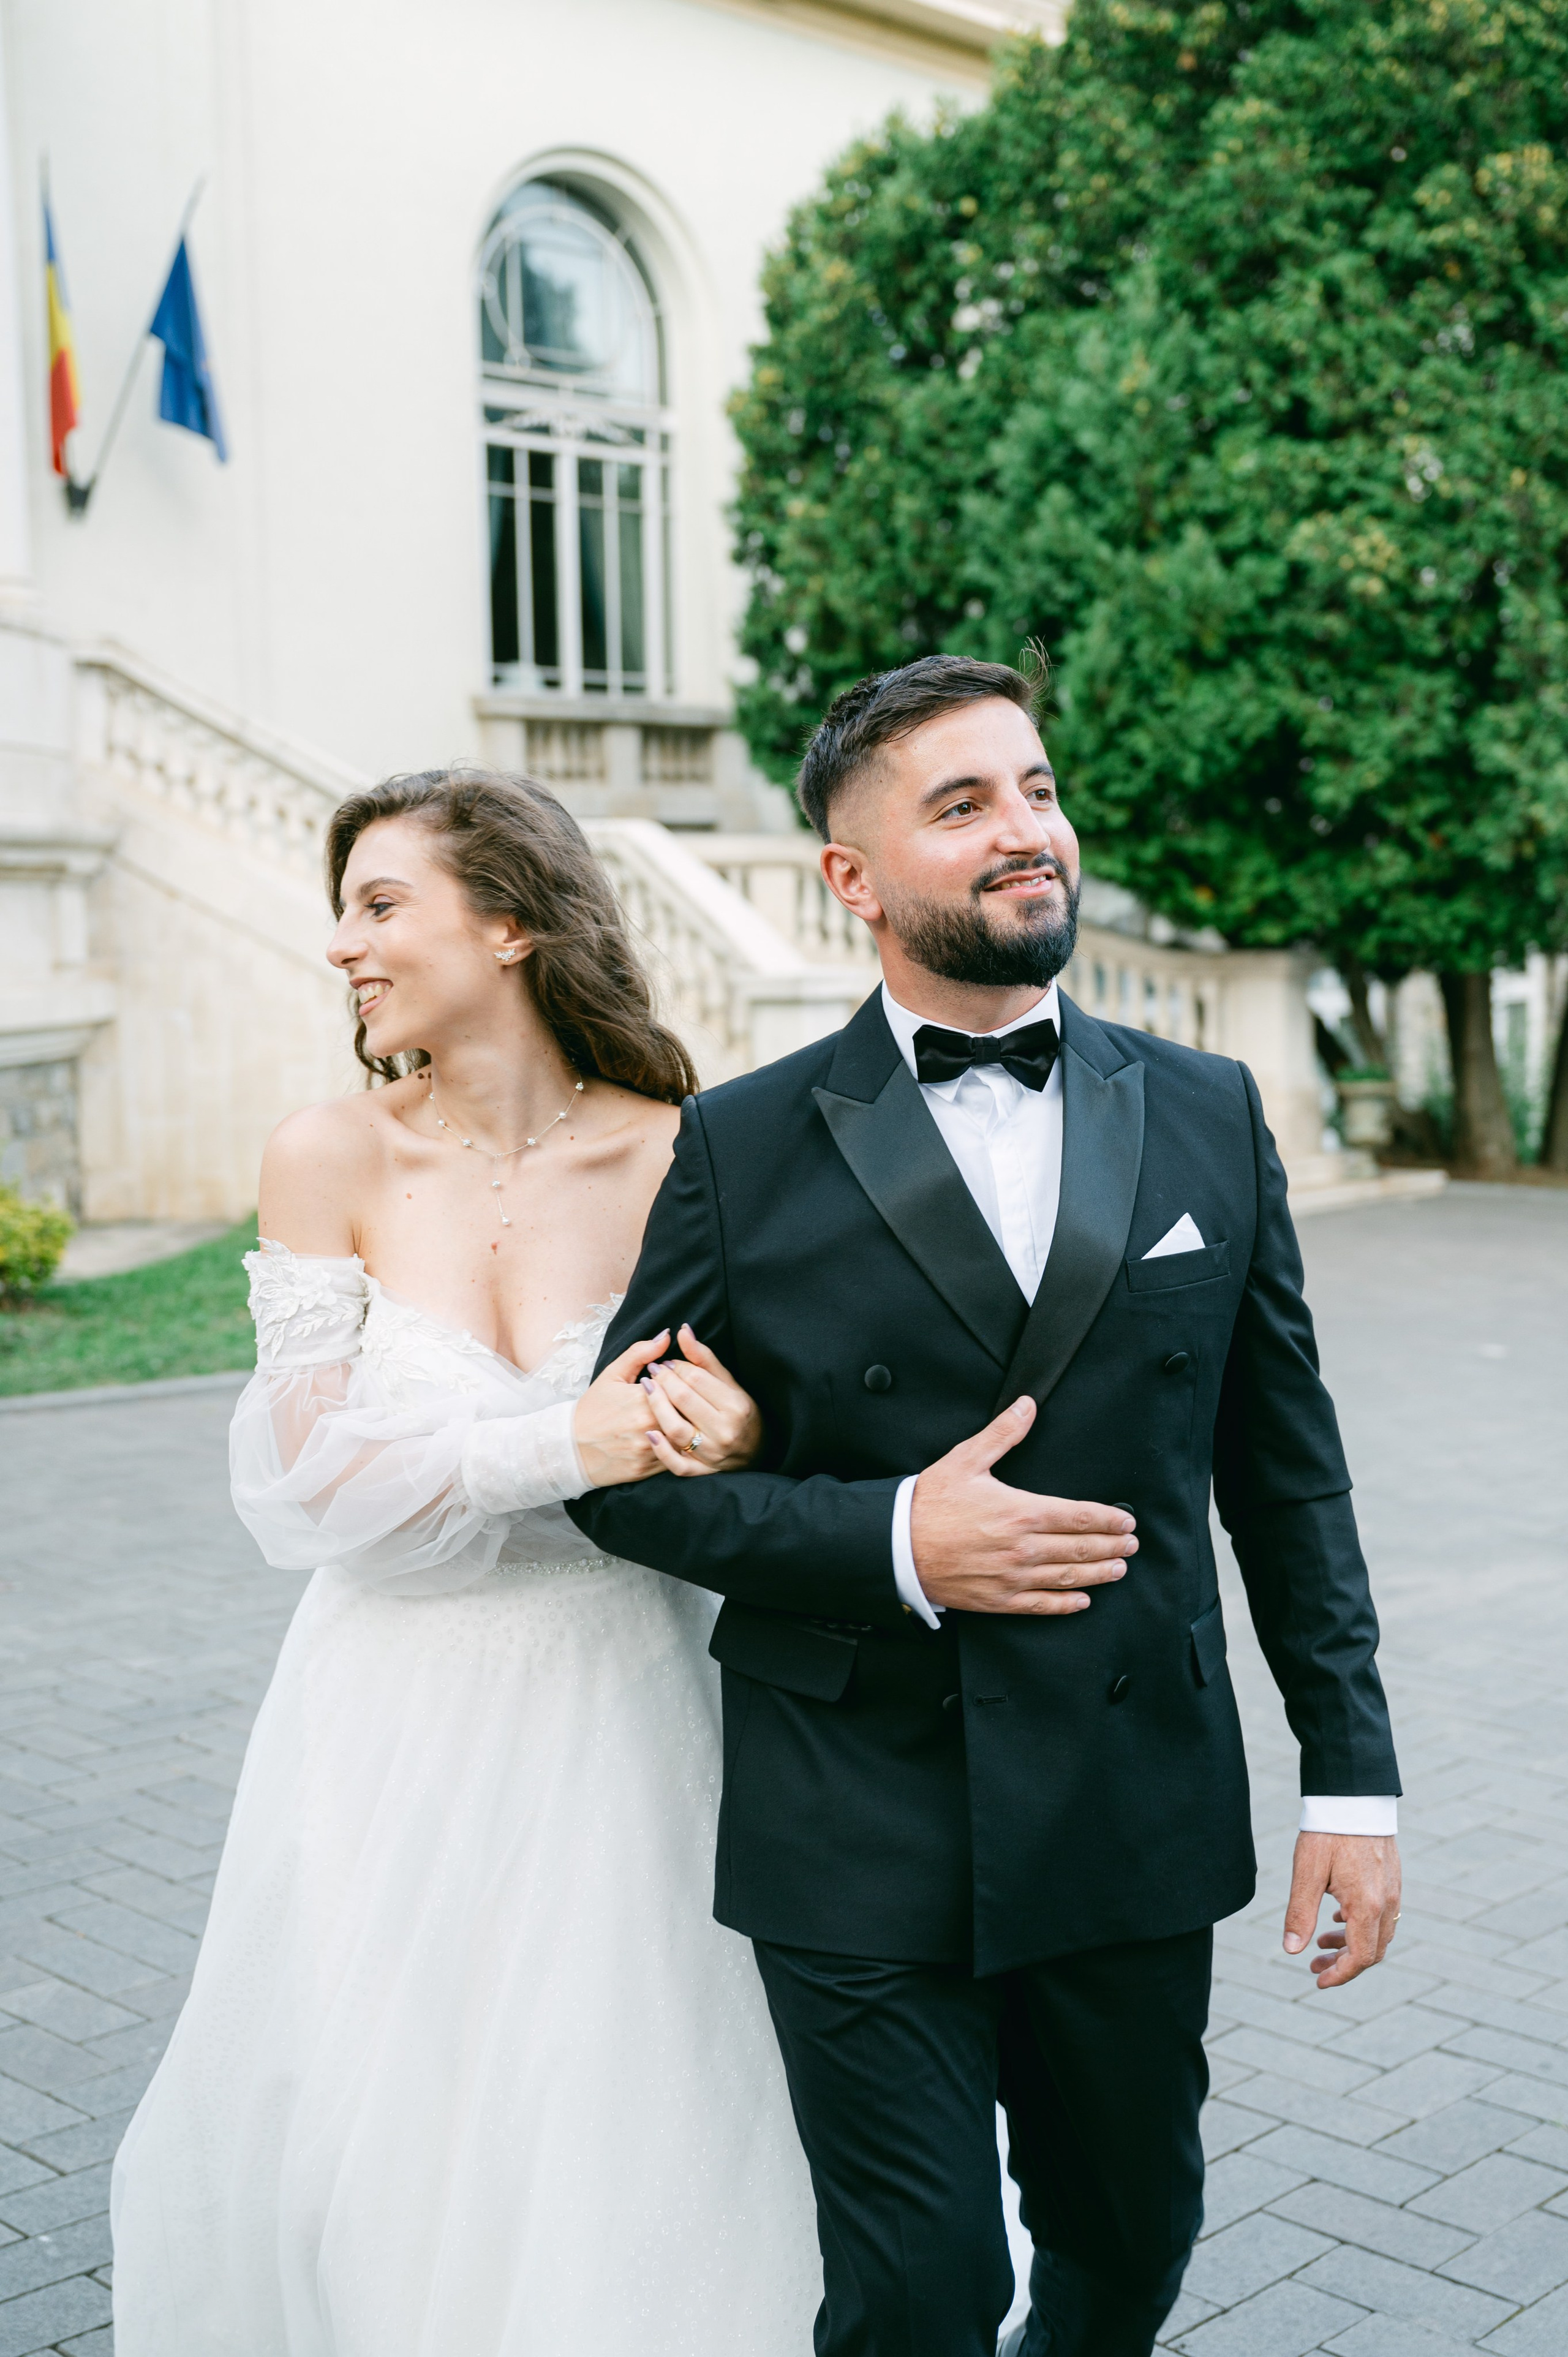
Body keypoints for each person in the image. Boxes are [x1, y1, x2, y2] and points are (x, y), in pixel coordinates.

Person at [570, 655, 1404, 2357]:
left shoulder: (1206, 1109)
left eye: (1034, 789)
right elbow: (619, 1492)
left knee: (1126, 2252)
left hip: (1129, 1797)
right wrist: (891, 1540)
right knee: (920, 2292)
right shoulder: (744, 1144)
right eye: (963, 807)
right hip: (854, 1805)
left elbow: (1285, 1471)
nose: (1027, 832)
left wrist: (1356, 1780)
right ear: (853, 880)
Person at [110, 770, 821, 2356]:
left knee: (630, 2115)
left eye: (379, 905)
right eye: (341, 911)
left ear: (507, 920)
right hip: (386, 1724)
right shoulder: (330, 1156)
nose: (343, 947)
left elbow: (776, 1426)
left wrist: (744, 1422)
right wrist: (567, 1445)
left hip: (631, 1705)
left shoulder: (685, 1151)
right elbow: (307, 1487)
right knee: (394, 2123)